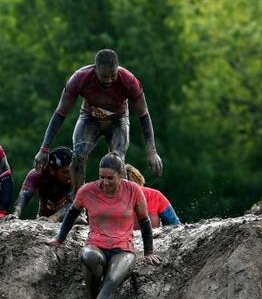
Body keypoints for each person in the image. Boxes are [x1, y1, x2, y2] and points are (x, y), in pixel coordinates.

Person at [48, 153, 160, 299]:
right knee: (88, 256)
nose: (105, 182)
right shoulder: (87, 191)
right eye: (102, 177)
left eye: (110, 178)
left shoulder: (133, 190)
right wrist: (59, 239)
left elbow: (143, 221)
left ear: (121, 175)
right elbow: (72, 214)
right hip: (96, 244)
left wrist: (149, 251)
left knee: (112, 279)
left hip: (123, 249)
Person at [33, 49, 164, 199]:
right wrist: (44, 148)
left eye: (112, 76)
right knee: (78, 156)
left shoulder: (129, 81)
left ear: (118, 69)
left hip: (118, 119)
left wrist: (152, 152)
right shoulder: (80, 78)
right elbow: (60, 114)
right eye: (104, 77)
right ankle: (77, 204)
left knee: (117, 161)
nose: (108, 80)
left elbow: (144, 116)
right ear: (95, 70)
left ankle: (119, 203)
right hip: (90, 118)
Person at [10, 146, 73, 221]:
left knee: (78, 217)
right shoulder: (38, 174)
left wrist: (54, 218)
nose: (69, 176)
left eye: (71, 170)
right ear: (52, 170)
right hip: (44, 215)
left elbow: (73, 203)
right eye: (65, 172)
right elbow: (24, 195)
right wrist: (16, 212)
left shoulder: (76, 177)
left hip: (70, 217)